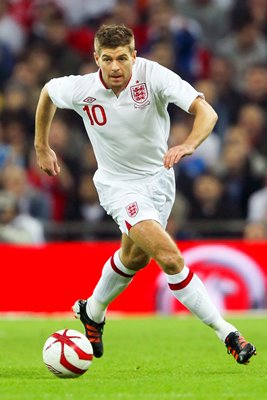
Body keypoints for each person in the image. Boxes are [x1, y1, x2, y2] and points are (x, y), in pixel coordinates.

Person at [34, 24, 256, 365]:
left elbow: (206, 113)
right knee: (170, 258)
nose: (115, 67)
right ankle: (227, 333)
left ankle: (92, 311)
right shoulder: (82, 89)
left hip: (160, 181)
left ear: (134, 56)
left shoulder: (153, 76)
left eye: (123, 57)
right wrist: (42, 145)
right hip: (118, 186)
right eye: (107, 59)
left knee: (134, 259)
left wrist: (188, 144)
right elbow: (48, 92)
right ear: (96, 59)